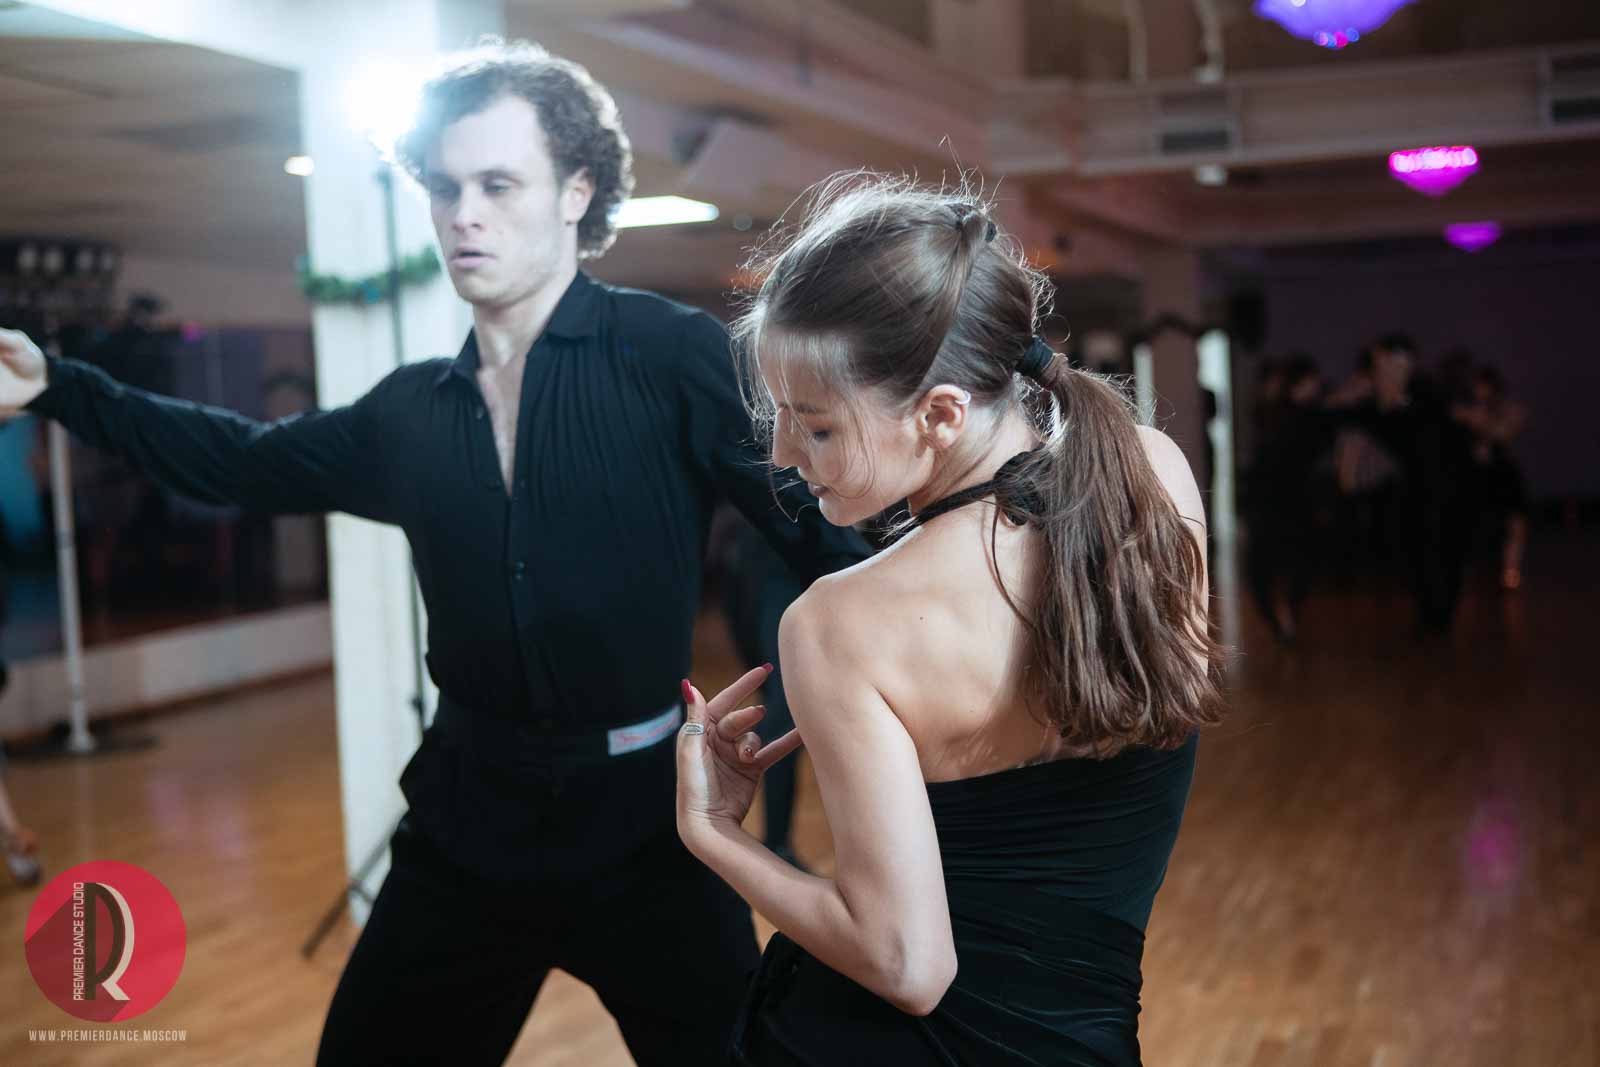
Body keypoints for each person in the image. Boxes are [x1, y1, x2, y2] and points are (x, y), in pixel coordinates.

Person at [0, 39, 869, 1067]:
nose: (464, 213)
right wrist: (58, 384)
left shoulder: (667, 354)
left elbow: (820, 535)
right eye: (445, 187)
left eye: (498, 184)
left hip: (650, 827)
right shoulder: (408, 412)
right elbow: (239, 461)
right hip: (468, 823)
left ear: (576, 192)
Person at [674, 177, 1225, 1065]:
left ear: (940, 413)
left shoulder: (840, 623)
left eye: (815, 426)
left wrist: (713, 832)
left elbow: (908, 965)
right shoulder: (1154, 475)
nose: (780, 453)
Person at [1453, 365, 1529, 590]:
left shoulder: (1507, 409)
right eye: (1476, 386)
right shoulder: (1463, 410)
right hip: (1473, 474)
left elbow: (1506, 429)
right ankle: (1462, 569)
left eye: (1484, 386)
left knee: (1516, 523)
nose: (1480, 391)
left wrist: (1481, 422)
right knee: (1465, 522)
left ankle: (1511, 571)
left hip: (1502, 473)